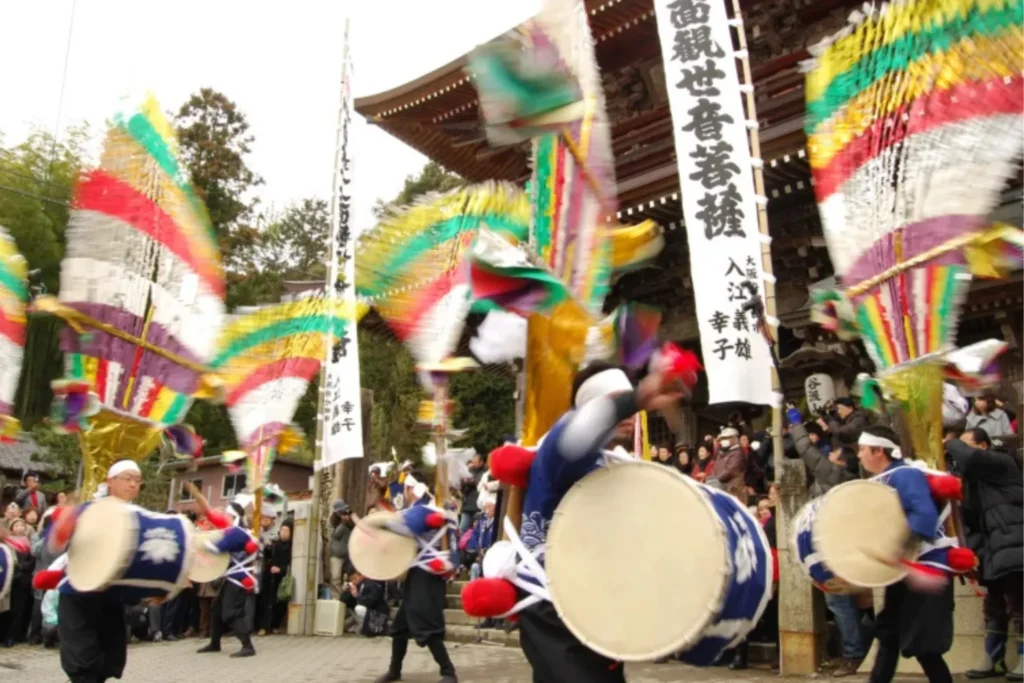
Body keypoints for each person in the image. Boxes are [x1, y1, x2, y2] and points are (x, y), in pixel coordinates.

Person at [513, 361, 684, 682]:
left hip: (594, 604)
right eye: (615, 402)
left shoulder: (613, 465)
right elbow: (580, 432)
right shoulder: (559, 449)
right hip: (551, 605)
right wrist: (639, 395)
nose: (629, 414)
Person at [857, 425, 955, 683]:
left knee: (925, 647)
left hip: (926, 566)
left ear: (879, 450)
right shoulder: (884, 479)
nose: (859, 455)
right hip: (903, 569)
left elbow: (924, 514)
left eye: (862, 449)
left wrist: (898, 547)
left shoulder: (905, 474)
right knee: (888, 634)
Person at [789, 418, 867, 675]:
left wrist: (795, 424)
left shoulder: (835, 475)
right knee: (848, 603)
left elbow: (806, 450)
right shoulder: (844, 478)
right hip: (839, 544)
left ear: (841, 462)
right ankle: (857, 650)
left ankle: (854, 654)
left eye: (834, 454)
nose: (829, 454)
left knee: (839, 602)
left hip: (834, 548)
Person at [56, 459, 142, 683]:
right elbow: (58, 540)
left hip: (111, 598)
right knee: (82, 663)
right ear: (110, 481)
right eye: (127, 478)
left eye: (137, 480)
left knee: (108, 661)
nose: (133, 484)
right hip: (79, 595)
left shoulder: (139, 517)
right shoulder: (90, 510)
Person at [947, 428, 1023, 680]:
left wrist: (949, 441)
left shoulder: (1003, 462)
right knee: (994, 608)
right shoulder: (972, 482)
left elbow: (967, 456)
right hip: (991, 552)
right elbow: (971, 521)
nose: (960, 451)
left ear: (983, 446)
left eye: (967, 444)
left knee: (1020, 604)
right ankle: (993, 658)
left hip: (1014, 546)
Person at [374, 470, 459, 683]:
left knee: (427, 624)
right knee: (400, 627)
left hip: (427, 575)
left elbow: (402, 528)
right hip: (420, 574)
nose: (404, 491)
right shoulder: (438, 509)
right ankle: (395, 670)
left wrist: (377, 522)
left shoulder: (424, 510)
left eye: (406, 488)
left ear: (412, 489)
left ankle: (448, 672)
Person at [196, 502, 259, 658]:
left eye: (226, 515)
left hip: (238, 578)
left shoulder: (237, 532)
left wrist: (198, 541)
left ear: (233, 516)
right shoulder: (233, 531)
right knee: (216, 612)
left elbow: (216, 548)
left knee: (232, 612)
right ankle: (215, 643)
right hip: (231, 577)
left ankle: (248, 646)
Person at [260, 519, 292, 635]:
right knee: (266, 601)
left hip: (283, 578)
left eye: (286, 531)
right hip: (270, 576)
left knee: (280, 603)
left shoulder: (291, 547)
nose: (284, 533)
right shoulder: (274, 545)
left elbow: (290, 563)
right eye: (282, 530)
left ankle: (275, 625)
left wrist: (281, 569)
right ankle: (264, 626)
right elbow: (267, 558)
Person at [341, 571, 389, 637]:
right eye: (351, 579)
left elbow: (370, 601)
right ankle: (361, 627)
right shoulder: (357, 585)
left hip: (377, 610)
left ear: (361, 576)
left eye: (355, 578)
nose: (354, 581)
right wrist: (346, 591)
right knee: (349, 607)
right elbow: (344, 600)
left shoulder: (371, 584)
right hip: (367, 609)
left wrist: (357, 595)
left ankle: (364, 627)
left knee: (358, 608)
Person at [712, 427, 747, 502]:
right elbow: (715, 467)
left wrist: (715, 479)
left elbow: (730, 471)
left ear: (734, 439)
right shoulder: (721, 452)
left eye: (726, 438)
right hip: (721, 489)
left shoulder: (738, 453)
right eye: (722, 438)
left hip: (734, 490)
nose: (723, 441)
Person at [329, 499, 354, 590]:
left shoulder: (349, 521)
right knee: (335, 579)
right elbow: (335, 535)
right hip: (337, 555)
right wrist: (343, 523)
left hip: (348, 555)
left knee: (347, 579)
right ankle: (336, 596)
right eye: (341, 511)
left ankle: (344, 596)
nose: (342, 513)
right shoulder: (332, 521)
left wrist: (350, 519)